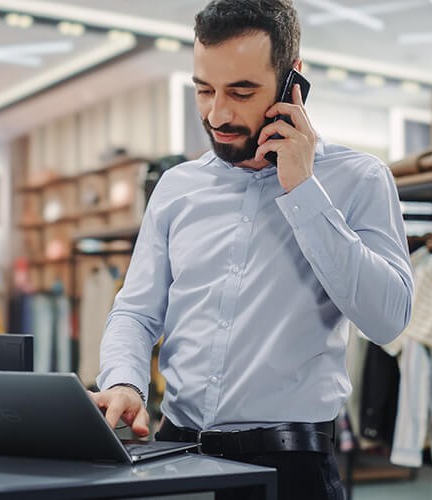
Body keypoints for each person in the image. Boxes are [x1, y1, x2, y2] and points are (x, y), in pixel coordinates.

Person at [89, 1, 414, 498]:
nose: (217, 113)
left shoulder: (359, 179)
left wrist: (303, 190)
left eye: (241, 92)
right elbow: (135, 311)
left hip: (293, 467)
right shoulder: (177, 188)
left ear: (293, 82)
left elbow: (388, 318)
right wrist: (125, 381)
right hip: (175, 454)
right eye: (204, 89)